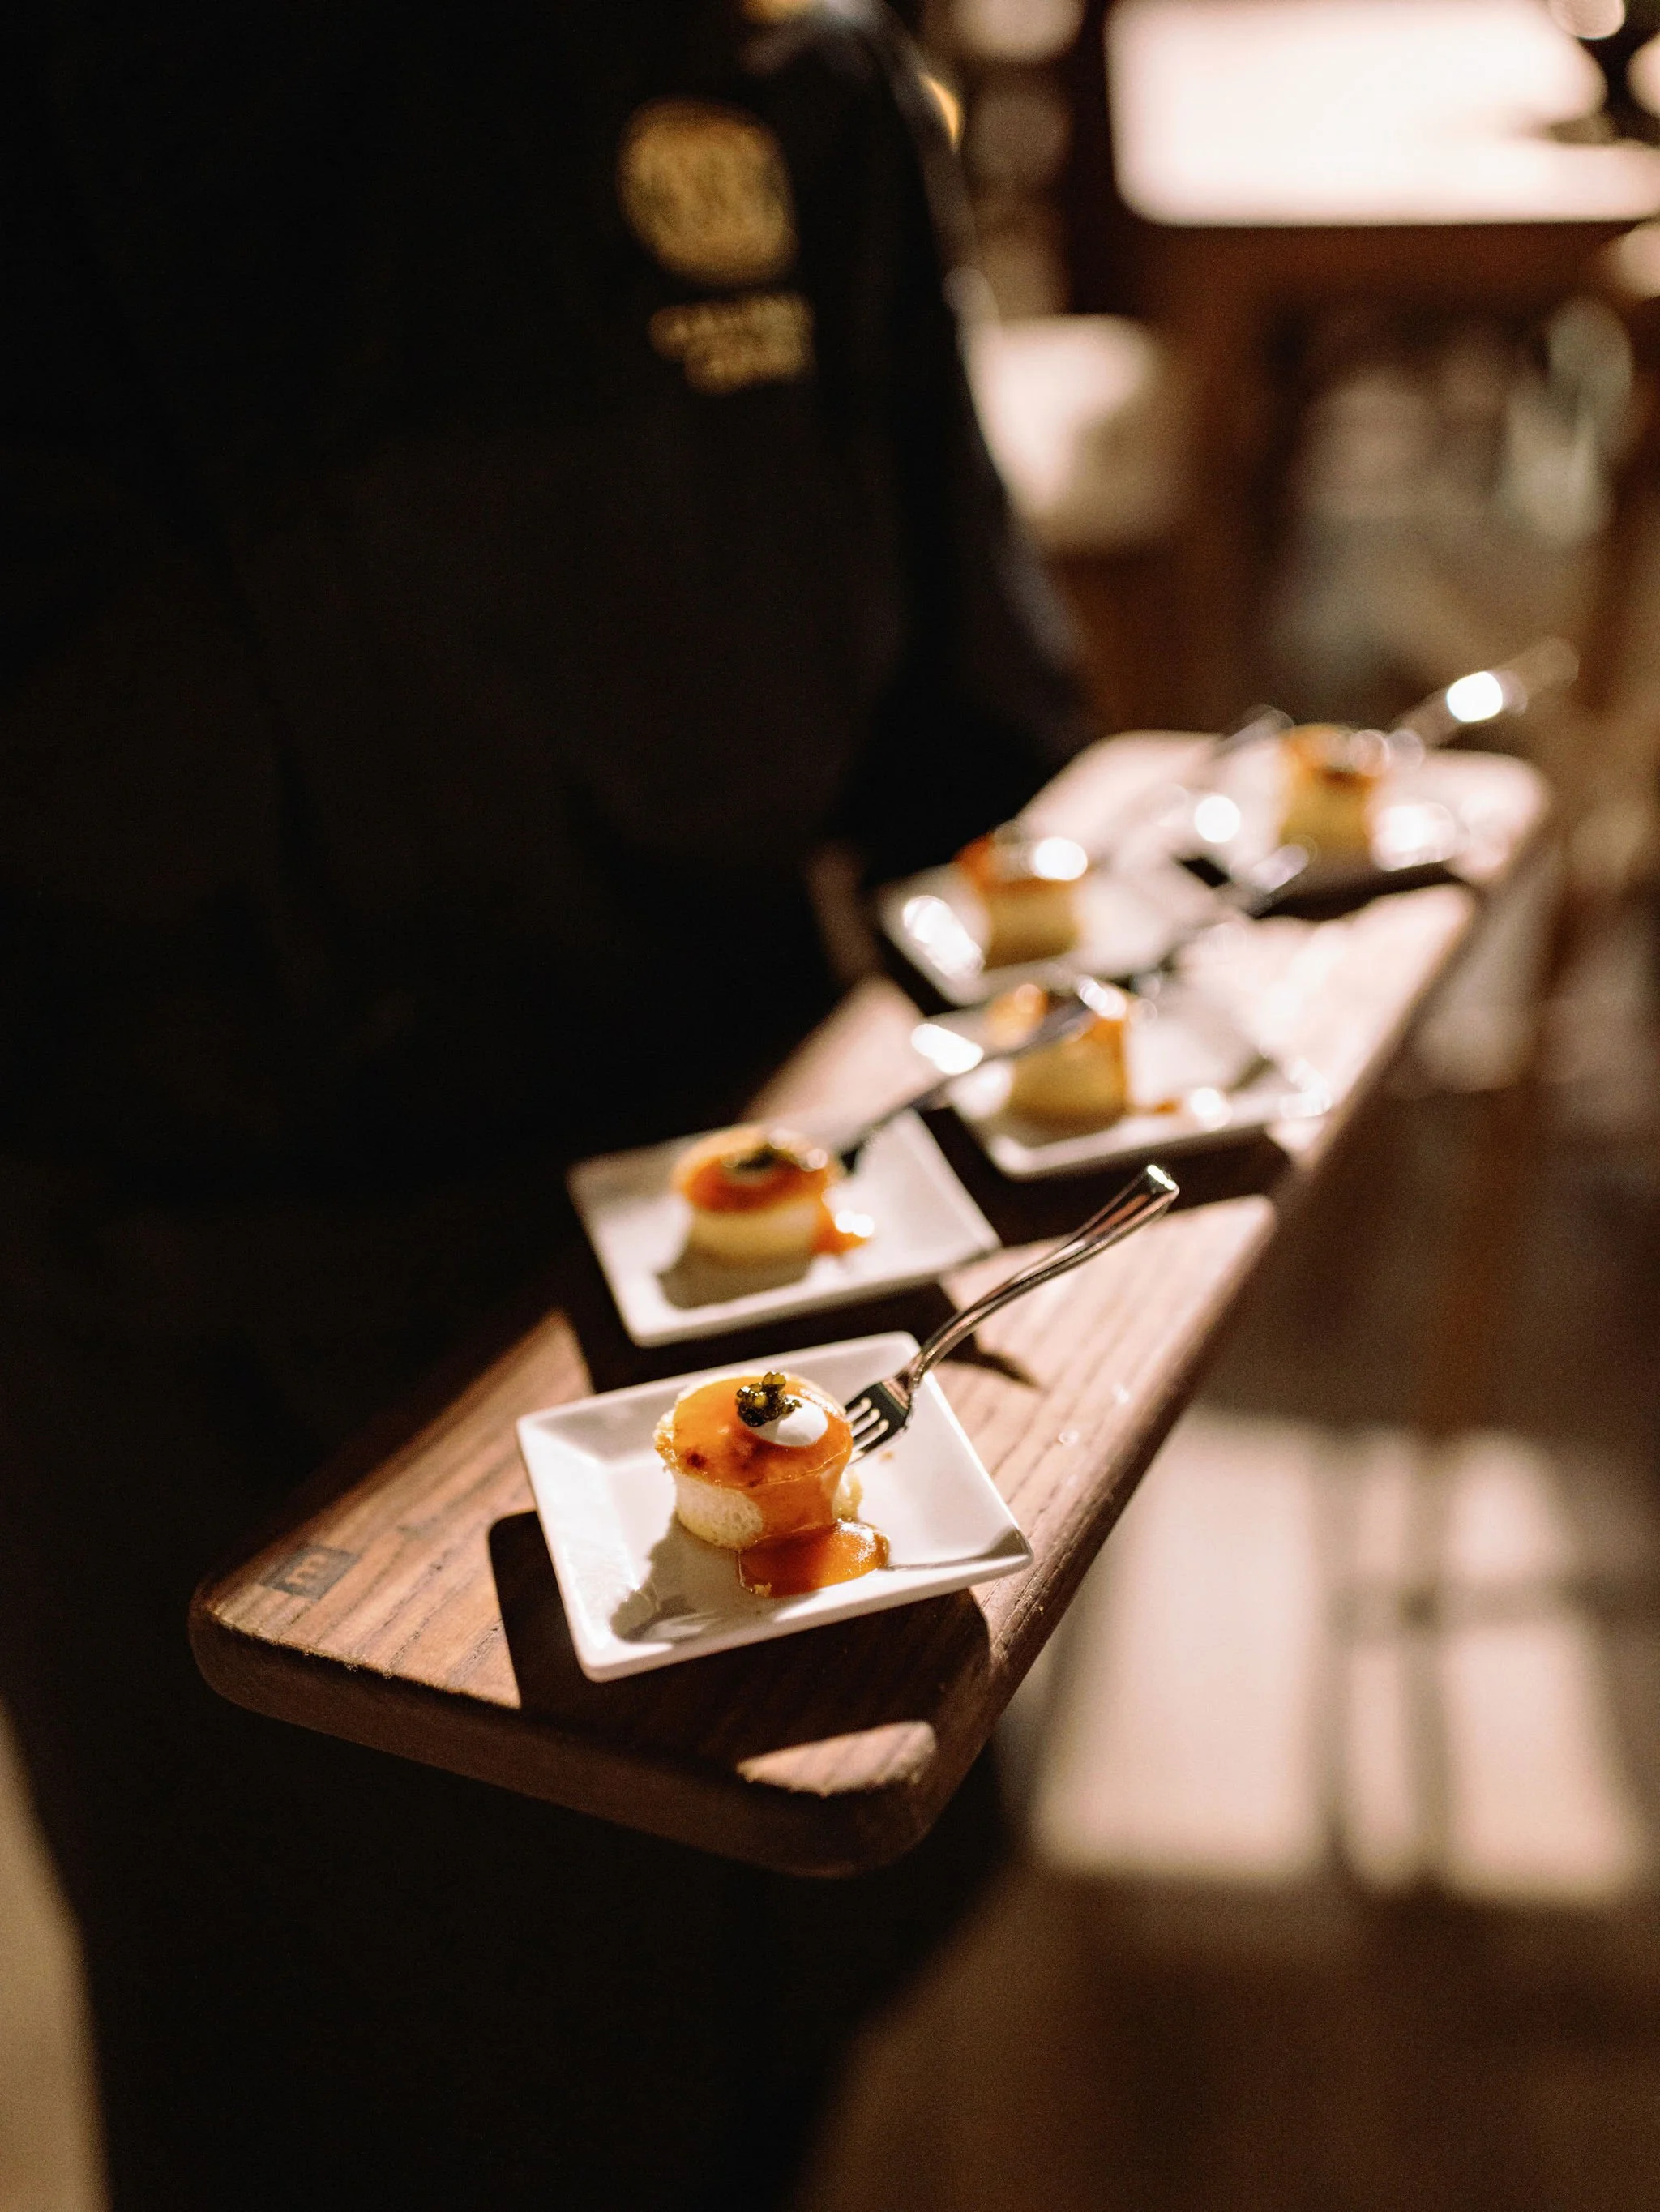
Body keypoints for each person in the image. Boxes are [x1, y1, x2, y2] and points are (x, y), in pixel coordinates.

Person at [0, 2, 1087, 2204]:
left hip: (762, 1303)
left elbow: (967, 768)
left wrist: (1142, 955)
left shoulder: (801, 95)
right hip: (229, 1427)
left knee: (758, 2081)